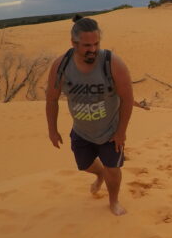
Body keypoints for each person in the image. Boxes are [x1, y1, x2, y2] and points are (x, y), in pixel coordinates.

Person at [45, 15, 147, 216]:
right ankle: (99, 174)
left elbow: (127, 99)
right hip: (81, 131)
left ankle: (113, 201)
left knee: (113, 168)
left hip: (110, 131)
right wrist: (52, 129)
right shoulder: (61, 66)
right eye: (86, 45)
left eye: (96, 43)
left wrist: (121, 132)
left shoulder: (112, 63)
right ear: (74, 43)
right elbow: (51, 99)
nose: (92, 49)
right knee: (84, 165)